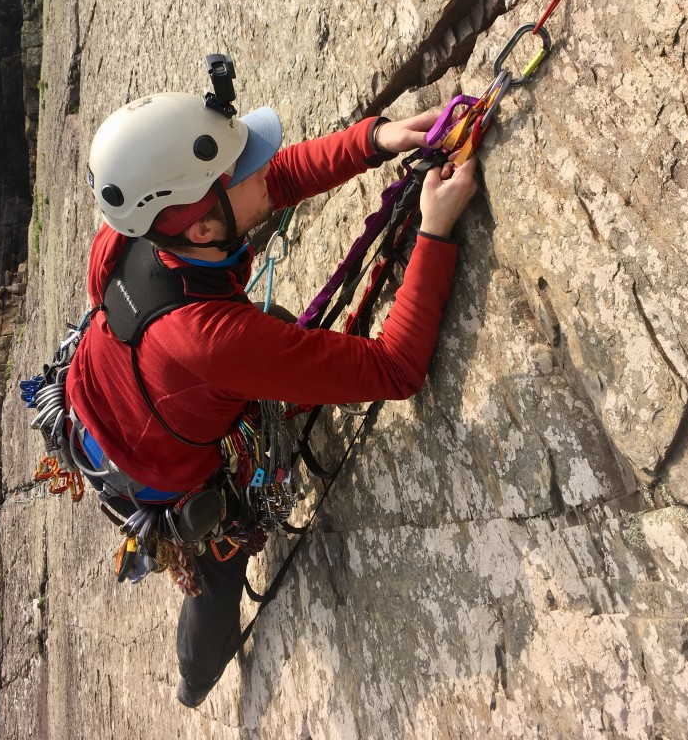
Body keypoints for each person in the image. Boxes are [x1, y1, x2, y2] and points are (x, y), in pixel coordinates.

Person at [66, 60, 477, 708]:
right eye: (242, 170)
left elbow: (269, 185)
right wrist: (434, 229)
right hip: (157, 468)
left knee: (274, 337)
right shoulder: (215, 340)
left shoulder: (129, 234)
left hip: (102, 400)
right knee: (219, 569)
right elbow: (396, 370)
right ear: (202, 228)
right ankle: (197, 678)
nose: (266, 167)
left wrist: (377, 140)